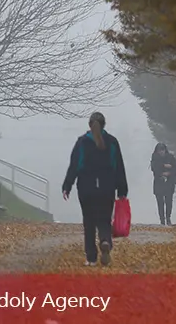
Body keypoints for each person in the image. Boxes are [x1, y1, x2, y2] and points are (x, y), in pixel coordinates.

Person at [61, 112, 128, 267]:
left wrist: (67, 186)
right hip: (107, 187)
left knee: (89, 222)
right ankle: (105, 241)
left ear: (89, 125)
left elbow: (74, 166)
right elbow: (119, 167)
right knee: (104, 220)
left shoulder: (82, 142)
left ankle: (91, 258)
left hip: (86, 188)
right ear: (104, 125)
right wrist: (122, 190)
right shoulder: (112, 142)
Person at [150, 142, 176, 226]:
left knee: (169, 201)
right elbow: (154, 168)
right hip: (159, 182)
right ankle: (162, 220)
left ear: (165, 150)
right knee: (160, 202)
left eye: (162, 150)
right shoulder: (154, 158)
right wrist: (164, 166)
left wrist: (169, 174)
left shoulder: (171, 157)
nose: (161, 152)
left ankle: (168, 218)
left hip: (169, 183)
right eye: (159, 150)